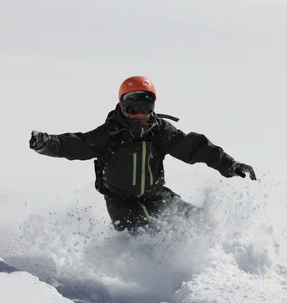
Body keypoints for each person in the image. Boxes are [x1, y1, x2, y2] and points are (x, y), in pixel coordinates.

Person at [29, 76, 257, 232]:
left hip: (156, 196)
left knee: (199, 223)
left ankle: (224, 261)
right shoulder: (110, 133)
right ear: (121, 105)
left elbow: (196, 147)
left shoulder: (160, 131)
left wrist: (230, 164)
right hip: (121, 203)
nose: (139, 114)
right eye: (132, 108)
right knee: (149, 238)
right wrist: (45, 142)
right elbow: (75, 144)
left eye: (146, 108)